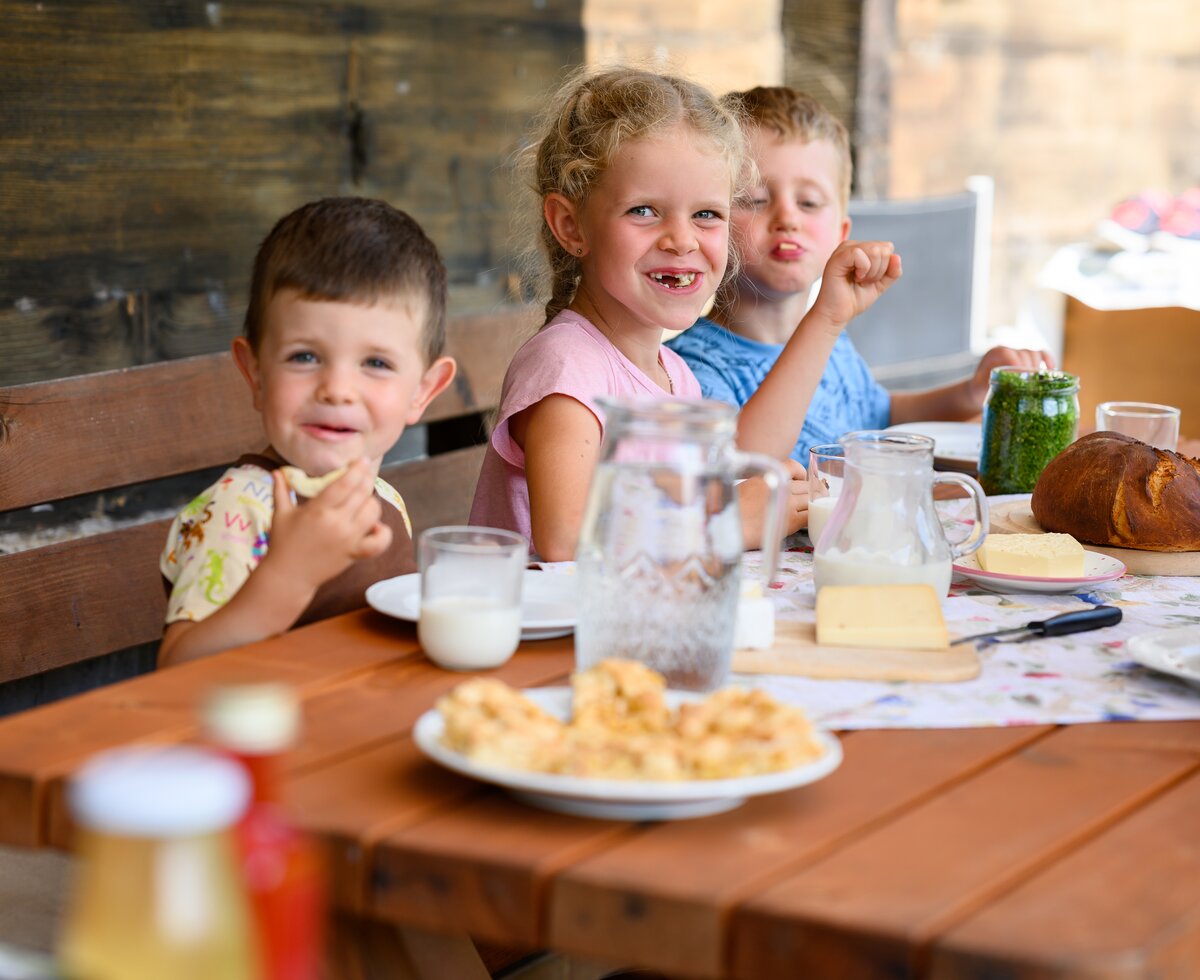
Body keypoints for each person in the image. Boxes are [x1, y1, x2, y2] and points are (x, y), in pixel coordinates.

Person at [469, 67, 901, 561]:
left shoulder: (674, 375)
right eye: (644, 211)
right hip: (559, 636)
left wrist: (754, 488)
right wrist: (727, 519)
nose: (682, 239)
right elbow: (566, 544)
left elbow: (692, 506)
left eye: (706, 214)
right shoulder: (567, 368)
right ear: (571, 225)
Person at [667, 86, 1051, 464]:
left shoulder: (834, 346)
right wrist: (826, 321)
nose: (787, 218)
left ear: (841, 233)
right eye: (755, 199)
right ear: (712, 221)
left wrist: (971, 391)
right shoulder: (686, 370)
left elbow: (882, 416)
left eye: (809, 202)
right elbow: (741, 464)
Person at [158, 198, 457, 666]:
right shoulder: (239, 511)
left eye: (375, 363)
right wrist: (288, 575)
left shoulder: (381, 498)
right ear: (255, 373)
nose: (336, 389)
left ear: (422, 390)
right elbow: (176, 670)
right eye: (304, 357)